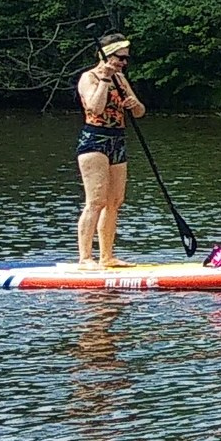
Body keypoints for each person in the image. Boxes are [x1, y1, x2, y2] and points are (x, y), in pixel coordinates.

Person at [75, 33, 146, 267]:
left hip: (117, 140)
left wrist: (134, 105)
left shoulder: (121, 79)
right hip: (94, 140)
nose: (124, 63)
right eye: (120, 58)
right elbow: (95, 108)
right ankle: (85, 257)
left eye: (126, 59)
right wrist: (105, 79)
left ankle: (107, 256)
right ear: (106, 56)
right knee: (96, 200)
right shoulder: (89, 78)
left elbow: (140, 112)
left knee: (115, 200)